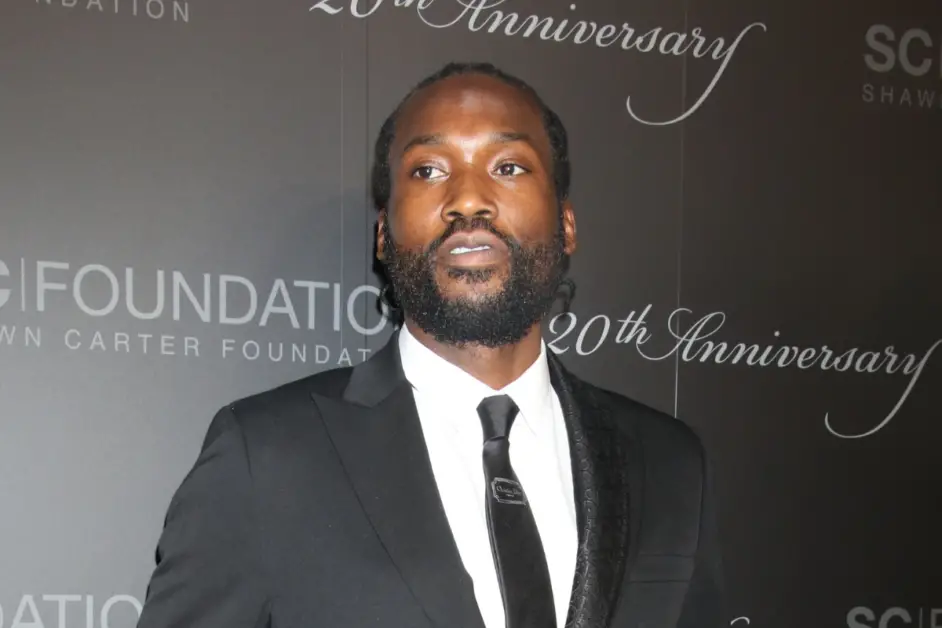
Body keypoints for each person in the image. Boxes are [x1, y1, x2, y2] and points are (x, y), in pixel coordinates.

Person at [136, 61, 726, 628]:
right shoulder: (264, 456)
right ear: (383, 235)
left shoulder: (669, 462)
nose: (468, 200)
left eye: (509, 166)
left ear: (566, 224)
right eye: (428, 171)